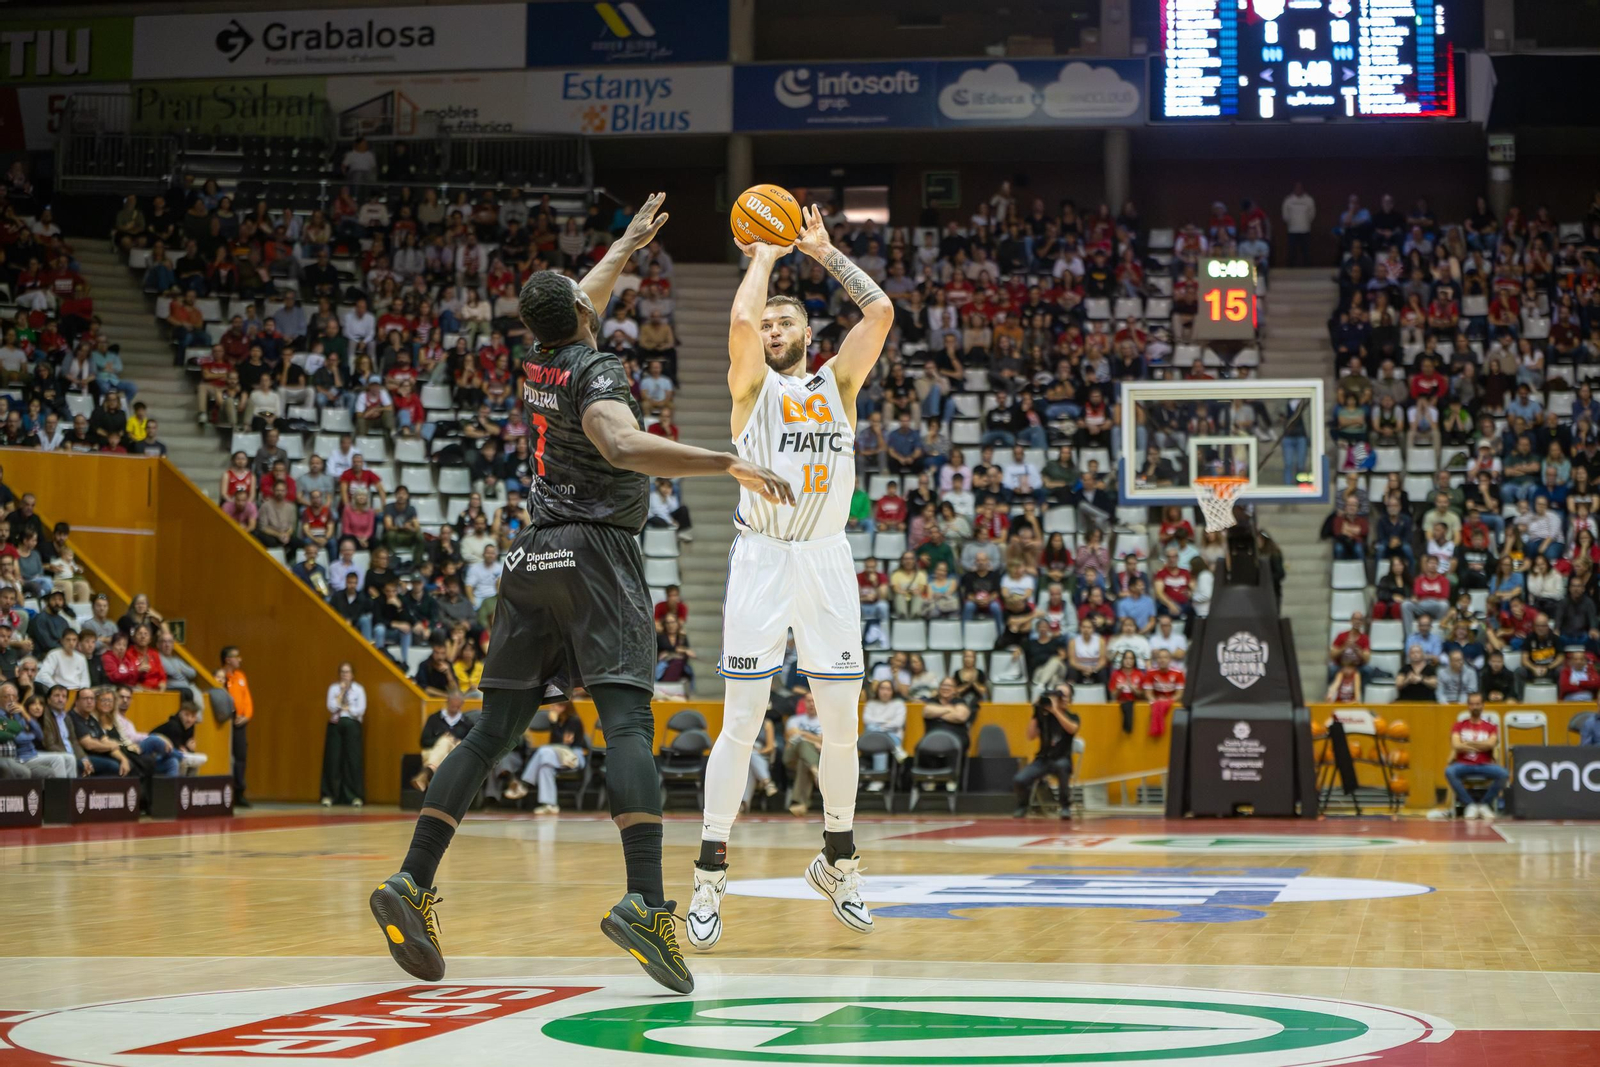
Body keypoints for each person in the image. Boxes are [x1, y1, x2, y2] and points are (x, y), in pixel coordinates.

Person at [372, 195, 789, 996]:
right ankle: (647, 901)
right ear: (582, 318)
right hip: (597, 553)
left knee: (491, 730)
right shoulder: (597, 367)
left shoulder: (538, 354)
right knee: (628, 720)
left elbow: (583, 297)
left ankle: (412, 881)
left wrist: (627, 244)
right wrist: (726, 461)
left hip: (530, 557)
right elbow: (620, 442)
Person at [689, 203, 893, 953]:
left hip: (827, 559)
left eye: (785, 324)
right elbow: (740, 328)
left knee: (841, 727)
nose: (772, 330)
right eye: (768, 324)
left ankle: (837, 858)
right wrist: (765, 256)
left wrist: (826, 251)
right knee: (740, 724)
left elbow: (879, 310)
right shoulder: (752, 389)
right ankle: (710, 872)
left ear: (809, 334)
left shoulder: (838, 384)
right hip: (762, 559)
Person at [1011, 683, 1080, 818]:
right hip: (1043, 759)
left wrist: (1055, 711)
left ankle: (1065, 806)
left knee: (1062, 767)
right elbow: (1030, 736)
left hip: (1062, 759)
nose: (1061, 698)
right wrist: (1036, 712)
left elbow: (1072, 729)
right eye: (1058, 694)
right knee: (1019, 779)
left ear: (1070, 699)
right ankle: (1023, 805)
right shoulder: (1044, 716)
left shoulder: (1072, 716)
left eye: (1064, 696)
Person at [1440, 692, 1508, 820]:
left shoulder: (1491, 727)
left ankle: (1484, 804)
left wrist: (1468, 743)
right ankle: (1470, 804)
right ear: (1468, 706)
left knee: (1503, 774)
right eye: (1472, 704)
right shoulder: (1459, 725)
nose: (1475, 707)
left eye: (1477, 704)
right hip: (1463, 764)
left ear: (1482, 705)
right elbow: (1456, 745)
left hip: (1484, 764)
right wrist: (1481, 745)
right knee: (1449, 771)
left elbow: (1490, 744)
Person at [516, 699, 588, 814]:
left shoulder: (574, 720)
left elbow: (564, 743)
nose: (552, 708)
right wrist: (554, 723)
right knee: (545, 768)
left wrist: (554, 724)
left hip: (573, 756)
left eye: (555, 706)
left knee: (543, 751)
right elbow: (554, 743)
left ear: (564, 707)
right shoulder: (558, 720)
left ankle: (524, 784)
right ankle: (550, 805)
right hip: (556, 756)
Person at [320, 663, 366, 807]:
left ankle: (353, 796)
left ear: (352, 674)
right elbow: (331, 706)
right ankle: (330, 795)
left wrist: (348, 708)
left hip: (352, 724)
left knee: (352, 760)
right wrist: (341, 694)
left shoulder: (359, 689)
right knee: (333, 759)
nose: (345, 675)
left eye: (347, 672)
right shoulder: (334, 688)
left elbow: (360, 710)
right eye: (342, 672)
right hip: (335, 724)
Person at [214, 646, 254, 807]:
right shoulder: (221, 676)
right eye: (236, 656)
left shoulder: (241, 676)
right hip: (225, 721)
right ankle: (224, 792)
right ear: (228, 660)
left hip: (240, 722)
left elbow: (247, 700)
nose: (240, 659)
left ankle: (239, 792)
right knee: (224, 757)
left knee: (241, 756)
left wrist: (247, 716)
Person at [860, 679, 906, 789]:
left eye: (888, 689)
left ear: (892, 691)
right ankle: (896, 749)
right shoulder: (871, 704)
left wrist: (877, 726)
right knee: (876, 737)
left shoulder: (899, 704)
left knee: (879, 742)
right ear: (878, 690)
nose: (885, 692)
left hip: (892, 736)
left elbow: (898, 723)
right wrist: (886, 723)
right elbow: (866, 720)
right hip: (874, 737)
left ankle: (878, 779)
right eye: (882, 688)